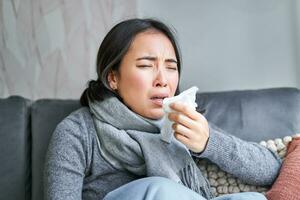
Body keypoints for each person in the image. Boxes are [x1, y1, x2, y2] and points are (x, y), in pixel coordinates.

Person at [44, 18, 281, 200]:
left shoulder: (183, 121)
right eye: (146, 65)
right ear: (113, 77)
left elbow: (271, 170)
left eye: (171, 67)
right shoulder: (77, 132)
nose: (163, 80)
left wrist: (208, 142)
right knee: (160, 190)